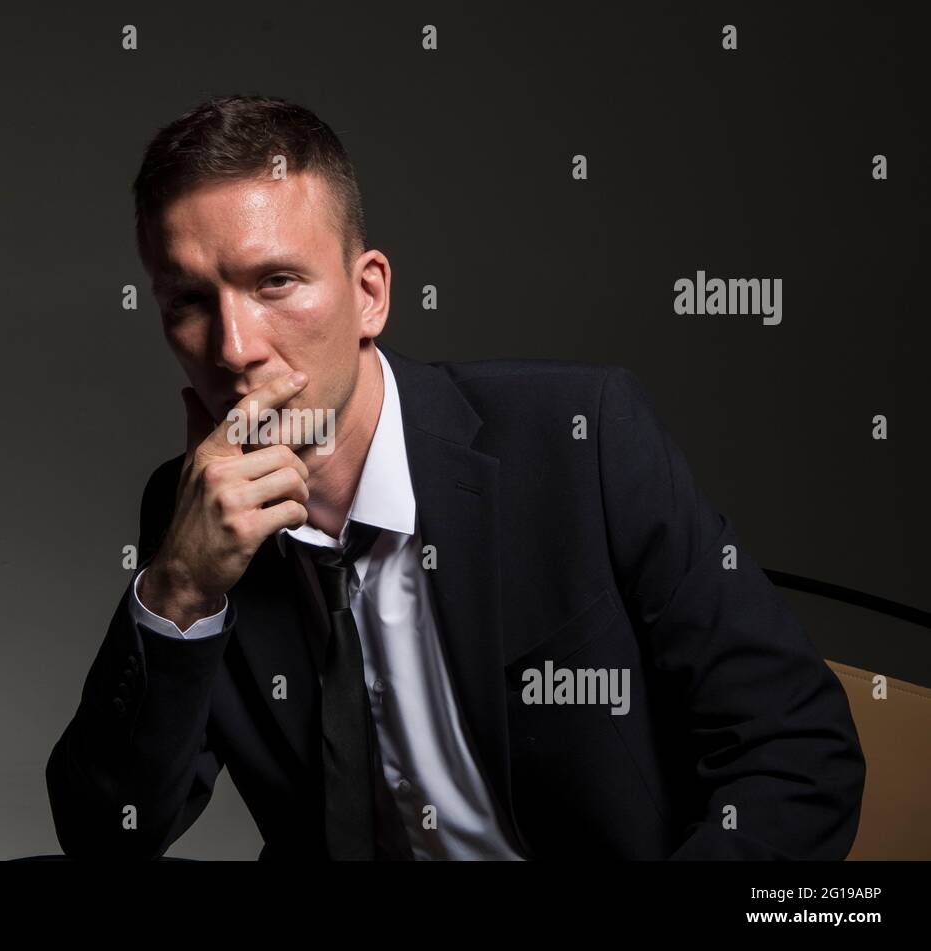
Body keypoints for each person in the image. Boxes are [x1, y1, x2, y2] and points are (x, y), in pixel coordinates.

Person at [45, 95, 865, 860]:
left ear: (370, 295)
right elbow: (103, 835)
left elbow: (798, 750)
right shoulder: (191, 515)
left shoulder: (578, 440)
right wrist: (180, 590)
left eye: (276, 282)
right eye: (189, 300)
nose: (233, 347)